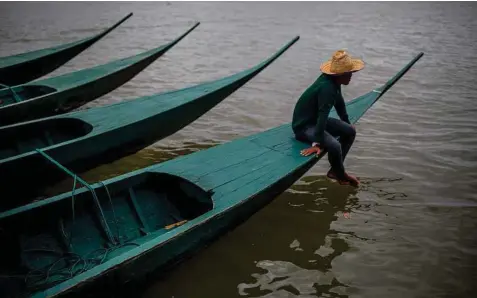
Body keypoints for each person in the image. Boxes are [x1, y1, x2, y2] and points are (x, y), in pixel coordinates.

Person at [292, 50, 364, 187]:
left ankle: (335, 171)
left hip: (314, 121)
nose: (351, 77)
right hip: (304, 126)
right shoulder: (327, 87)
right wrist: (317, 143)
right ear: (339, 75)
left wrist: (347, 122)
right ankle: (340, 174)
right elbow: (322, 115)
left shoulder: (334, 82)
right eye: (348, 74)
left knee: (350, 131)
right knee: (335, 146)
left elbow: (339, 103)